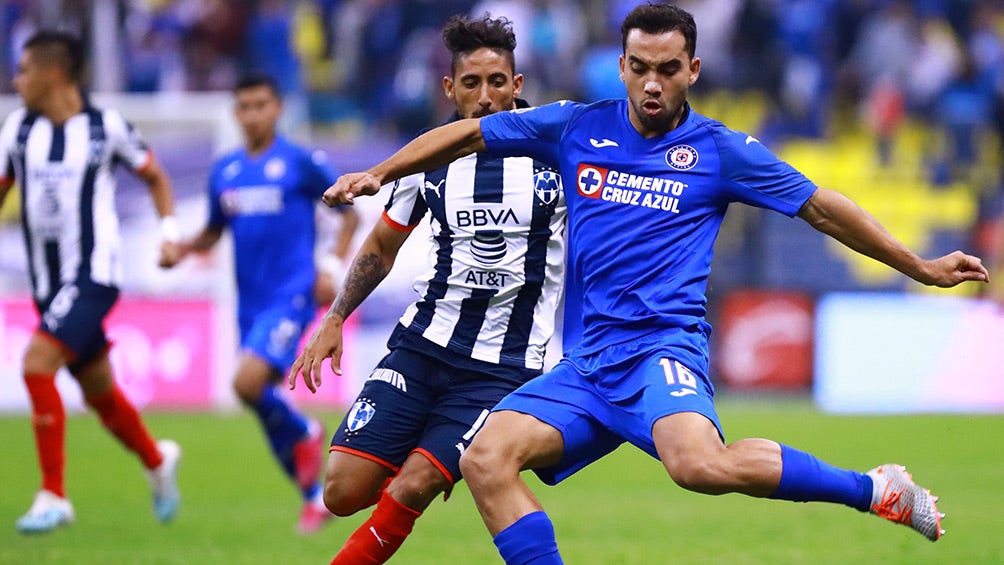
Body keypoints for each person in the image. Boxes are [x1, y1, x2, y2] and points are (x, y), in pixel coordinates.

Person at [321, 4, 992, 563]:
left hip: (662, 353)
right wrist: (380, 172)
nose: (651, 83)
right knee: (486, 459)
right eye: (638, 68)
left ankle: (875, 488)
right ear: (621, 67)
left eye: (668, 69)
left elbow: (821, 205)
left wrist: (921, 266)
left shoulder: (719, 150)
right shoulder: (576, 127)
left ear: (692, 70)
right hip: (586, 367)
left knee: (698, 465)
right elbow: (468, 134)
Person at [288, 14, 567, 564]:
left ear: (517, 84)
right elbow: (380, 248)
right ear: (450, 87)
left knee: (412, 484)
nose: (485, 97)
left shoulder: (559, 152)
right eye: (471, 83)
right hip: (421, 347)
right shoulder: (427, 158)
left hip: (500, 368)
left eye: (496, 82)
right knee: (342, 491)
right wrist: (335, 318)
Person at [0, 30, 182, 534]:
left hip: (93, 275)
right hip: (46, 284)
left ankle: (53, 495)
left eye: (23, 70)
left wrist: (169, 233)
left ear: (54, 72)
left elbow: (156, 177)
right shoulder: (16, 131)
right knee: (98, 391)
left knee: (37, 365)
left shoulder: (107, 127)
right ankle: (155, 459)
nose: (17, 80)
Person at [161, 74, 358, 535]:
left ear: (277, 109)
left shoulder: (299, 162)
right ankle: (313, 496)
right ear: (235, 113)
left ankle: (307, 433)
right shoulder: (225, 170)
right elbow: (213, 229)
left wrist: (329, 266)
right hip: (248, 302)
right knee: (257, 398)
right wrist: (183, 250)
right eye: (244, 106)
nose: (253, 114)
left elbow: (348, 213)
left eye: (261, 105)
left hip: (290, 294)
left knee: (247, 384)